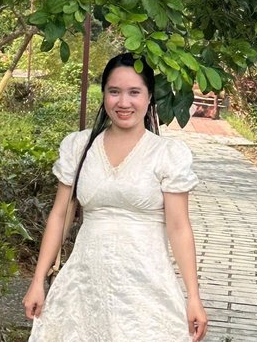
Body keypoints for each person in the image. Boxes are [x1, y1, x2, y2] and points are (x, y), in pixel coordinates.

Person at [23, 52, 208, 341]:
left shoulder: (167, 155)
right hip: (84, 287)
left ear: (149, 97)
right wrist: (37, 280)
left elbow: (179, 227)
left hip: (146, 289)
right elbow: (60, 215)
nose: (123, 102)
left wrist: (193, 296)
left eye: (134, 92)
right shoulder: (79, 147)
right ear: (104, 95)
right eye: (114, 92)